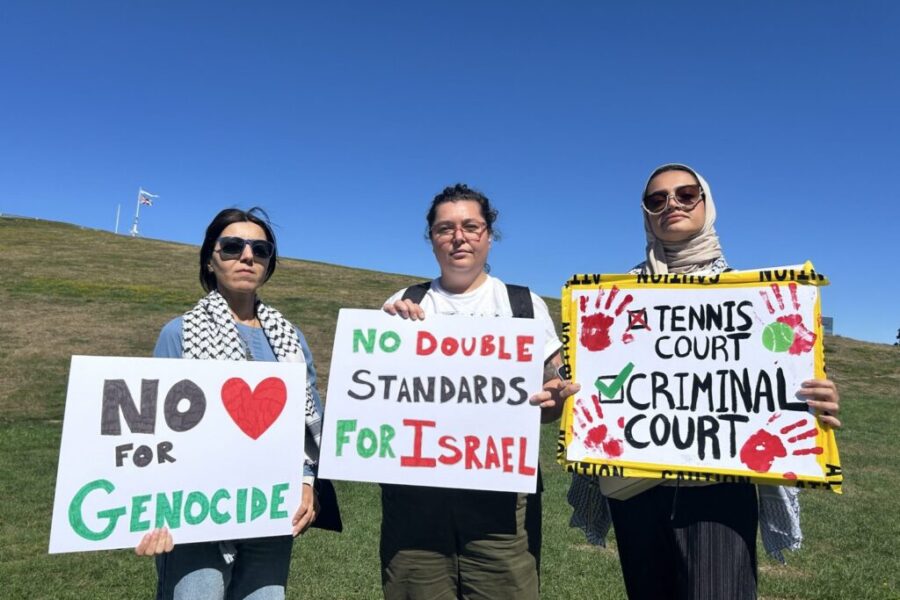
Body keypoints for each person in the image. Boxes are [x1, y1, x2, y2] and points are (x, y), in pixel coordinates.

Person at [568, 164, 842, 600]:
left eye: (685, 194)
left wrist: (815, 398)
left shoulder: (750, 300)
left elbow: (772, 379)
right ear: (645, 213)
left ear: (707, 203)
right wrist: (577, 393)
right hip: (633, 488)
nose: (671, 204)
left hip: (718, 487)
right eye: (656, 199)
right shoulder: (616, 301)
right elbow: (610, 384)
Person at [381, 183, 579, 600]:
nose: (459, 237)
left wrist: (556, 400)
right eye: (444, 228)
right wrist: (386, 336)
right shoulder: (403, 302)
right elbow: (376, 397)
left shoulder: (522, 305)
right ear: (431, 239)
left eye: (471, 226)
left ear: (489, 235)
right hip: (415, 497)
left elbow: (548, 401)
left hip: (502, 498)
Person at [134, 207, 332, 600]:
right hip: (196, 516)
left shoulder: (290, 338)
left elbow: (307, 424)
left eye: (260, 249)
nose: (247, 256)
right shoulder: (179, 333)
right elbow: (153, 428)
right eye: (232, 246)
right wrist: (147, 511)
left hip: (269, 513)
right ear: (211, 257)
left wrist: (307, 483)